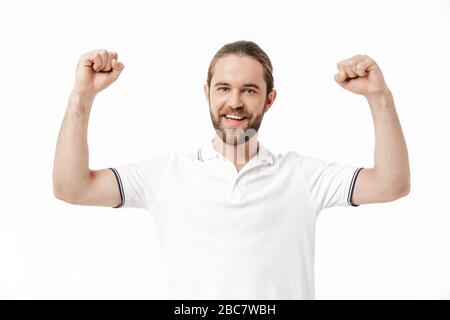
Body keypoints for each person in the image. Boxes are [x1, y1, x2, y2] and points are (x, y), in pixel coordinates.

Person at [53, 40, 410, 299]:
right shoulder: (167, 174)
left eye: (249, 90)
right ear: (207, 93)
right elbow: (72, 188)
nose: (235, 102)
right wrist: (81, 98)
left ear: (269, 100)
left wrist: (380, 97)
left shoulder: (301, 176)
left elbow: (390, 185)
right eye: (224, 88)